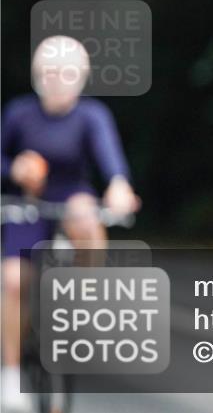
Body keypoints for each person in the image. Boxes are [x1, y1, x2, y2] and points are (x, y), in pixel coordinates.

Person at [1, 35, 140, 412]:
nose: (57, 79)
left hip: (70, 198)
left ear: (81, 76)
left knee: (86, 214)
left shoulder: (91, 116)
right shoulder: (18, 114)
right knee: (14, 282)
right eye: (49, 71)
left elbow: (112, 165)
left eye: (65, 72)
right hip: (26, 205)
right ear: (36, 74)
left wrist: (118, 188)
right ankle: (11, 374)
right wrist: (14, 168)